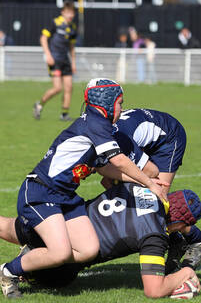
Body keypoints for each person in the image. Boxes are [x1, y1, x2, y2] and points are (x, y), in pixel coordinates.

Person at [0, 78, 167, 298]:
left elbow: (107, 169)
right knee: (59, 252)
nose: (122, 108)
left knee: (88, 250)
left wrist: (142, 181)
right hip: (41, 192)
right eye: (120, 103)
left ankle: (35, 252)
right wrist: (149, 184)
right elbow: (118, 161)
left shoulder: (102, 126)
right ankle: (8, 272)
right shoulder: (95, 124)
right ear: (106, 103)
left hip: (65, 197)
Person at [0, 183, 201, 298]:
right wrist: (187, 271)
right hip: (68, 254)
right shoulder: (154, 234)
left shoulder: (139, 186)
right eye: (184, 227)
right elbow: (153, 290)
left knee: (8, 227)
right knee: (62, 280)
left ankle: (34, 250)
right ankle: (30, 265)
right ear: (178, 223)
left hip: (59, 220)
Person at [112, 109, 201, 273]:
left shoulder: (117, 138)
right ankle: (176, 241)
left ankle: (198, 239)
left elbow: (150, 172)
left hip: (169, 138)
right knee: (121, 190)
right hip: (145, 140)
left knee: (157, 202)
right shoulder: (100, 131)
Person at [33, 0, 77, 121]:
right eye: (68, 12)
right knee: (58, 88)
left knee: (69, 87)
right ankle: (39, 105)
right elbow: (43, 38)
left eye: (72, 13)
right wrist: (48, 55)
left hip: (66, 61)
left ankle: (64, 114)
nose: (71, 15)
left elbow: (72, 47)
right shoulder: (55, 23)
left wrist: (73, 62)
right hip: (55, 60)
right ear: (63, 12)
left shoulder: (72, 27)